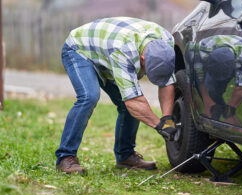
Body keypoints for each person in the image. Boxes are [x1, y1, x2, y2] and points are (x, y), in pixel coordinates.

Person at [55, 17, 178, 174]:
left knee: (128, 105)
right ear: (143, 59)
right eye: (148, 70)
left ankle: (125, 156)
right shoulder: (124, 51)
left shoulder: (166, 43)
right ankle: (65, 157)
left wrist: (167, 119)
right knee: (89, 97)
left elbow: (167, 82)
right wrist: (159, 126)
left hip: (107, 49)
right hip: (79, 49)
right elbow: (133, 101)